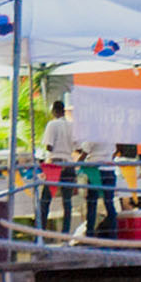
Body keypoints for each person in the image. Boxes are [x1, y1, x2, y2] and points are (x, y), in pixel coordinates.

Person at [41, 100, 78, 233]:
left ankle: (40, 232)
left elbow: (49, 146)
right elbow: (77, 147)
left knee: (45, 201)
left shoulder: (52, 124)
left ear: (54, 111)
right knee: (67, 202)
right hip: (69, 163)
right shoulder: (72, 126)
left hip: (55, 163)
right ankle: (65, 234)